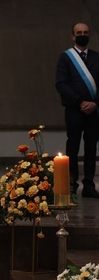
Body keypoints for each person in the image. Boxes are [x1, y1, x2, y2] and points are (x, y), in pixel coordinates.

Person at [55, 22, 99, 199]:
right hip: (74, 110)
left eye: (86, 32)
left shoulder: (97, 57)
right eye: (79, 32)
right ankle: (71, 184)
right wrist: (80, 102)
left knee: (91, 148)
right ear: (72, 36)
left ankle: (89, 185)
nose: (83, 35)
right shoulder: (65, 58)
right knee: (72, 148)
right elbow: (61, 83)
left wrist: (95, 103)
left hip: (94, 111)